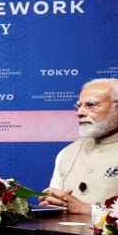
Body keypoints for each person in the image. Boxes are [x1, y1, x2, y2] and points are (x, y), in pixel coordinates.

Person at [39, 78, 118, 217]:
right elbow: (56, 202)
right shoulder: (67, 152)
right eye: (79, 106)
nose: (79, 113)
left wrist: (89, 210)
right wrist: (52, 202)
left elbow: (82, 209)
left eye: (91, 105)